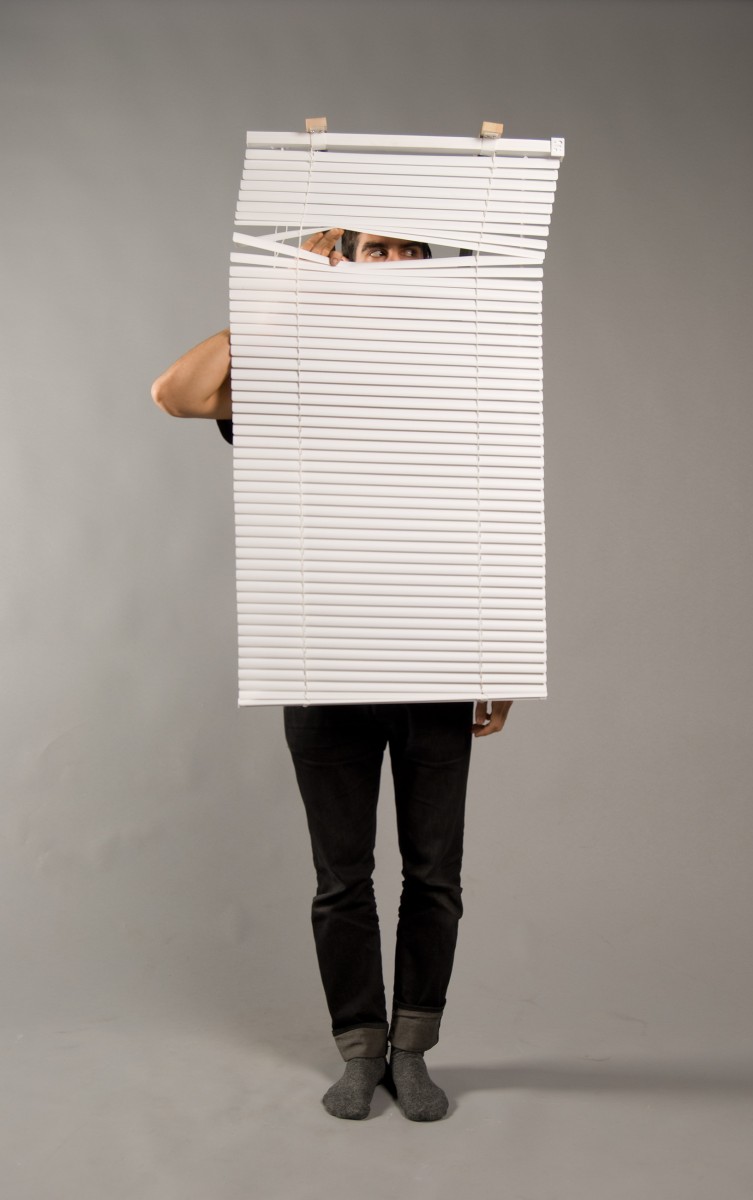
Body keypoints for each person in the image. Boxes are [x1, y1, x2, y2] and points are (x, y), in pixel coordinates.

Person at [152, 228, 513, 1121]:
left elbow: (489, 517)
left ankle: (413, 1051)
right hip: (321, 664)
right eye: (372, 250)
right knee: (340, 878)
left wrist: (497, 651)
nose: (392, 264)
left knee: (434, 875)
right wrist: (287, 296)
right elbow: (177, 392)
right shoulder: (291, 381)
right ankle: (358, 1053)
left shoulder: (451, 382)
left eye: (405, 251)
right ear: (340, 261)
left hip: (430, 663)